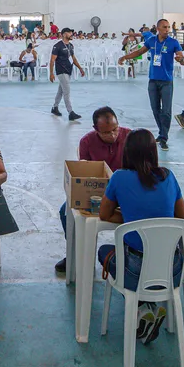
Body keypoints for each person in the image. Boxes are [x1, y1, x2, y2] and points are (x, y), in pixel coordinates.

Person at [97, 129, 184, 344]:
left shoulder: (119, 177)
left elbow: (104, 214)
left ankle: (143, 308)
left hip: (135, 270)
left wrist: (131, 217)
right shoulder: (168, 176)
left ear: (126, 152)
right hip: (172, 269)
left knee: (104, 251)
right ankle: (147, 308)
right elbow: (180, 215)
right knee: (148, 255)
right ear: (154, 152)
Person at [55, 107, 131, 274]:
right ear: (96, 129)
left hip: (126, 193)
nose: (113, 135)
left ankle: (129, 255)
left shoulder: (129, 137)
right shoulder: (87, 142)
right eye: (106, 133)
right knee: (65, 211)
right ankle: (75, 253)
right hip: (98, 193)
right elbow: (85, 173)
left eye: (115, 129)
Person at [119, 19, 184, 149]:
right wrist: (125, 57)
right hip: (153, 81)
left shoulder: (173, 42)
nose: (167, 30)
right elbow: (139, 52)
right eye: (164, 27)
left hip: (166, 81)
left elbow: (182, 59)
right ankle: (162, 132)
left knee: (166, 111)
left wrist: (181, 59)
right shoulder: (151, 40)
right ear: (158, 29)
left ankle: (164, 137)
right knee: (155, 109)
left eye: (168, 27)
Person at [49, 27, 85, 121]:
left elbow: (73, 58)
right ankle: (70, 112)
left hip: (69, 70)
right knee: (67, 92)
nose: (71, 34)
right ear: (64, 34)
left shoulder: (71, 46)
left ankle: (55, 107)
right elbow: (52, 60)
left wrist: (80, 68)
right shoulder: (57, 46)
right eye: (69, 33)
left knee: (61, 91)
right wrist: (51, 73)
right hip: (61, 71)